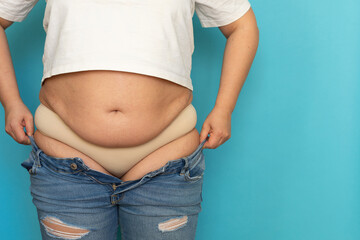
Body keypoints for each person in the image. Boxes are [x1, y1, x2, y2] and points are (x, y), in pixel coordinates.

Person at [0, 0, 259, 239]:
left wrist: (224, 108)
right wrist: (11, 102)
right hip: (65, 156)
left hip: (166, 157)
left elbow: (241, 24)